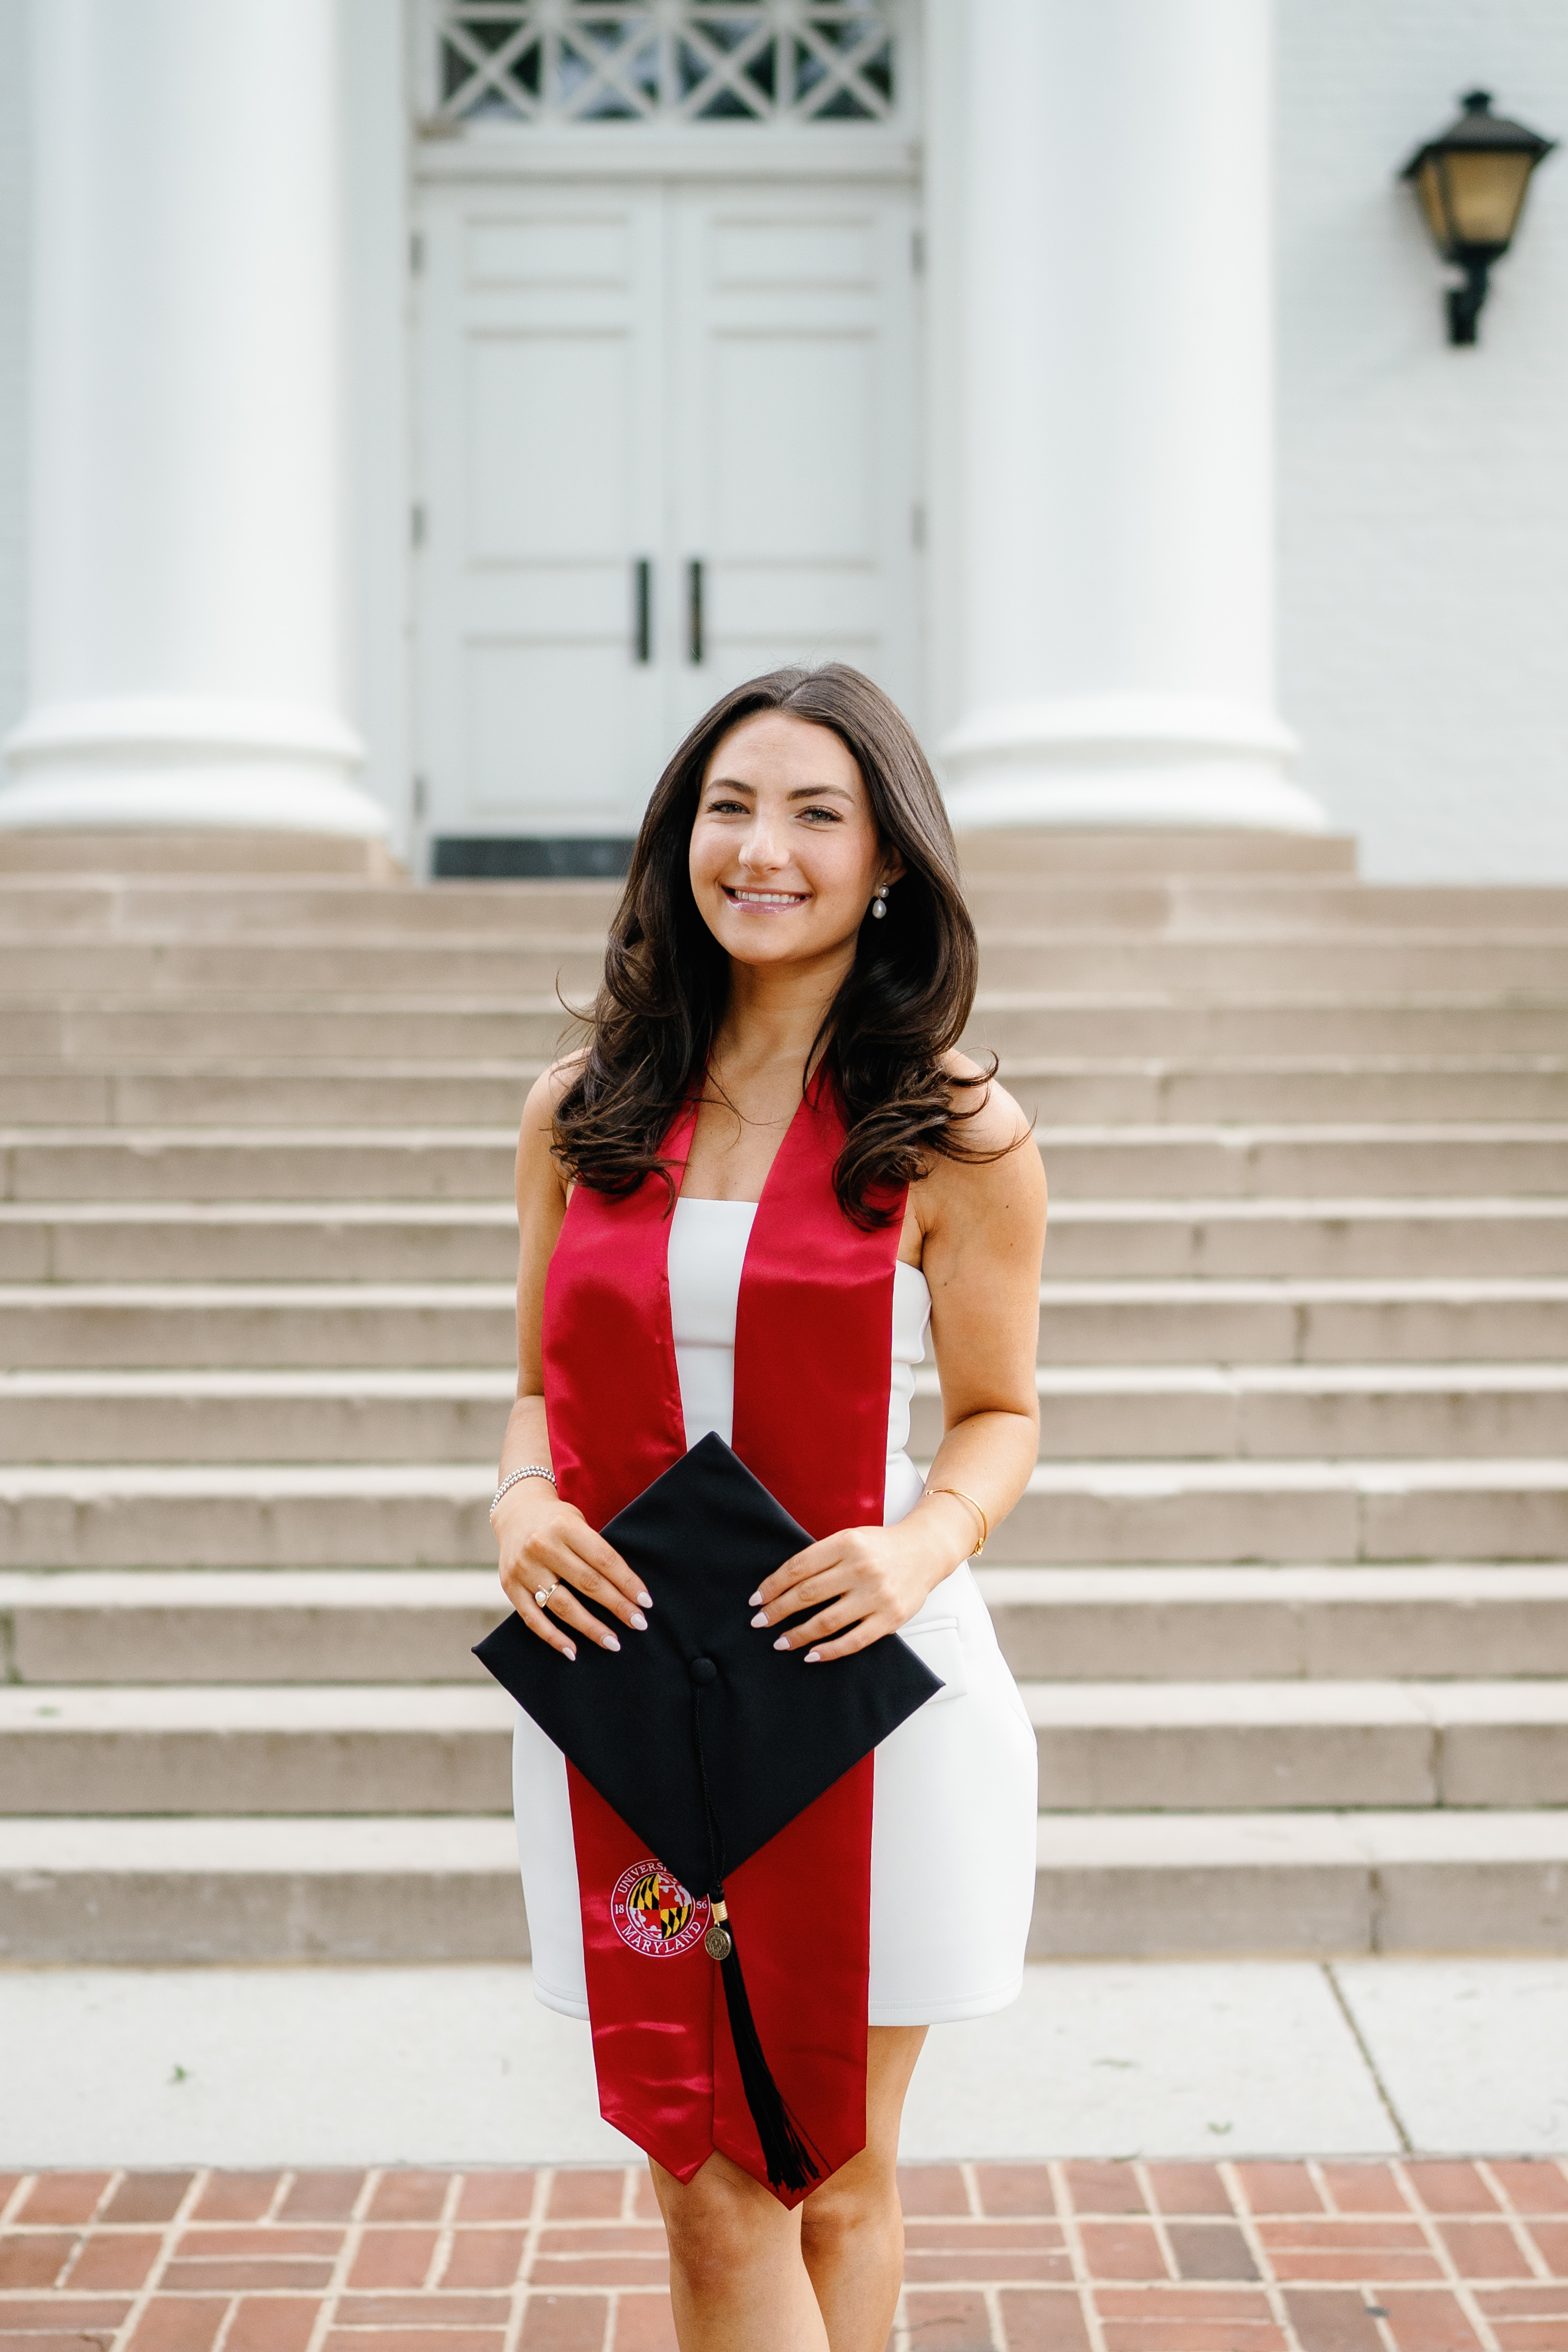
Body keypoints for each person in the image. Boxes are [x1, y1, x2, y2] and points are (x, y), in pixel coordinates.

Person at [491, 663, 1045, 2352]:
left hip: (870, 1690)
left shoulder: (951, 1130)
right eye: (730, 806)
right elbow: (533, 1379)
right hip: (633, 1690)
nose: (763, 849)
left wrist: (916, 1544)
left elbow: (998, 1414)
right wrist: (517, 1498)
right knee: (703, 2176)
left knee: (835, 2169)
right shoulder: (582, 1111)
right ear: (678, 843)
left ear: (888, 860)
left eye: (817, 812)